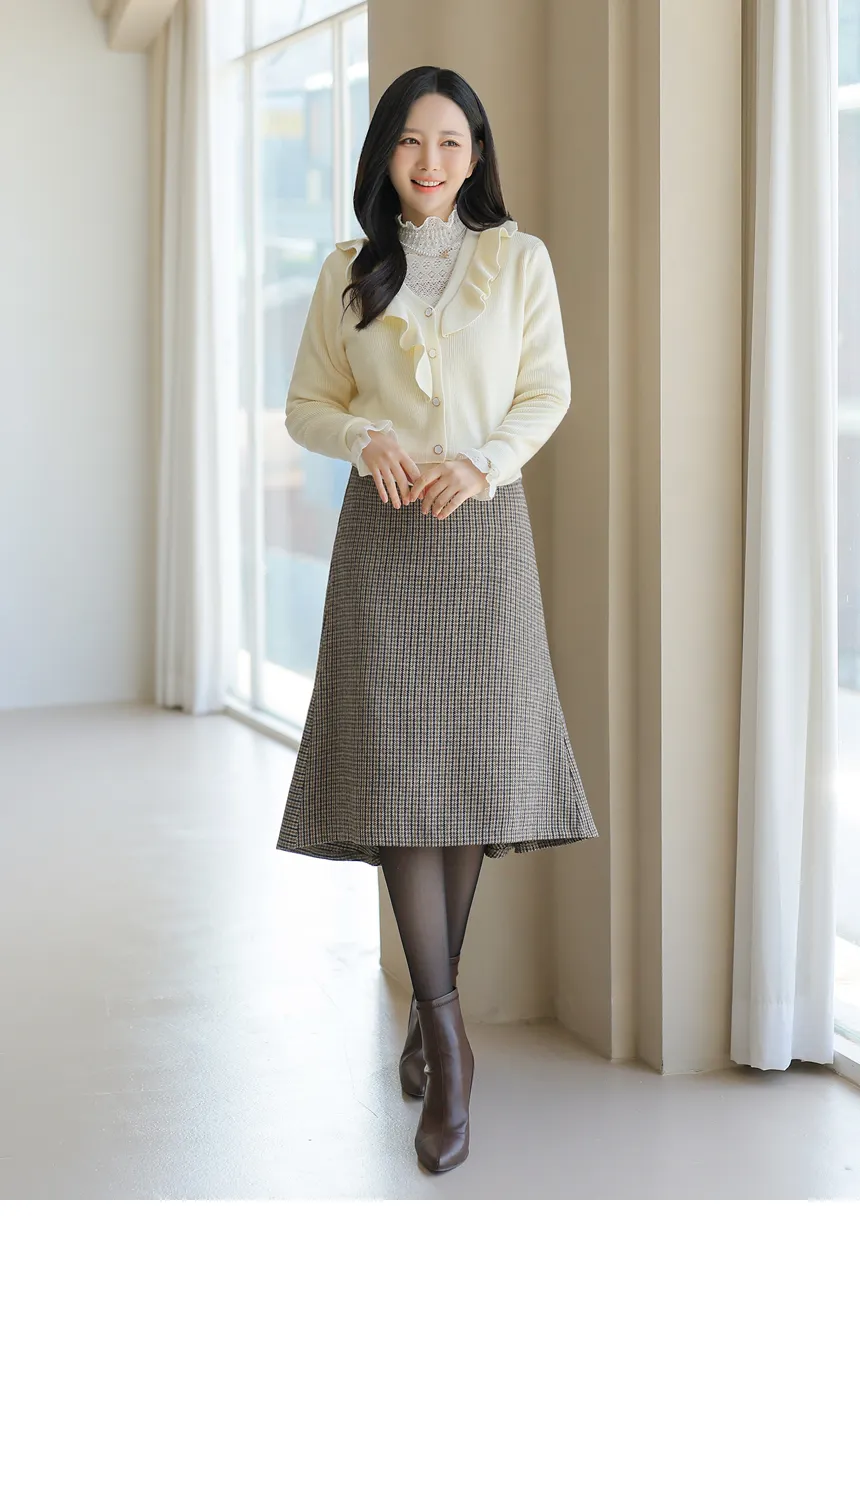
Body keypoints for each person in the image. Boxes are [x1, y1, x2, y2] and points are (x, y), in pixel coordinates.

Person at [275, 64, 599, 1175]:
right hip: (384, 541)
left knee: (463, 777)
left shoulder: (519, 261)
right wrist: (362, 438)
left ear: (475, 155)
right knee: (400, 779)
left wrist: (485, 463)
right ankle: (451, 1045)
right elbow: (306, 405)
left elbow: (546, 390)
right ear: (385, 154)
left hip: (483, 532)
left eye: (451, 142)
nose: (430, 161)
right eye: (412, 142)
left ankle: (431, 1010)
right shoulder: (345, 272)